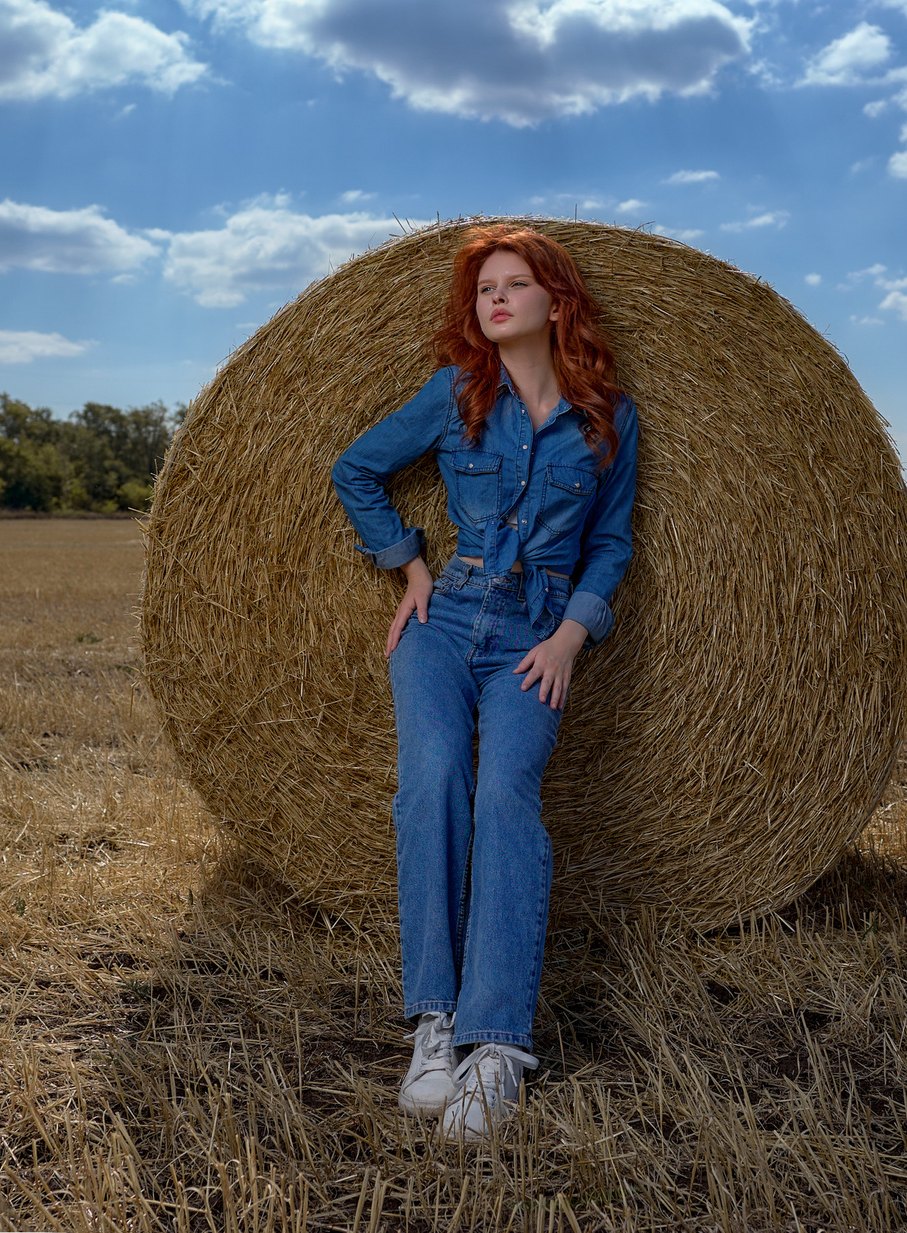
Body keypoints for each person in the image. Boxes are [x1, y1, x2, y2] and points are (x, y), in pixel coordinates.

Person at [329, 225, 638, 1141]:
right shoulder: (455, 393)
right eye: (483, 289)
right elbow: (357, 469)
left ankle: (495, 1045)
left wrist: (571, 638)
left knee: (506, 792)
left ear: (555, 300)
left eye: (513, 284)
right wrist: (409, 567)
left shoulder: (604, 418)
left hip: (535, 636)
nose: (494, 300)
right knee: (432, 780)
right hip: (444, 618)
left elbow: (612, 541)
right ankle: (435, 1026)